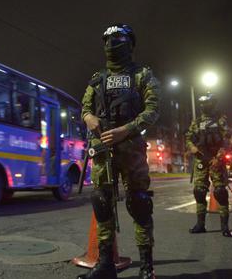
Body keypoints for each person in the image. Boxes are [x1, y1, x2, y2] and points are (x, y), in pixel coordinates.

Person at [78, 23, 160, 279]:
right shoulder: (97, 79)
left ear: (130, 44)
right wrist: (89, 117)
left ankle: (146, 267)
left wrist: (126, 130)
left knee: (140, 204)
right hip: (103, 150)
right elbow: (84, 109)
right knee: (101, 202)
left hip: (132, 148)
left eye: (118, 38)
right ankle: (105, 265)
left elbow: (153, 111)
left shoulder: (142, 75)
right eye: (108, 39)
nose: (113, 43)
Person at [185, 93, 232, 237]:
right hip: (201, 159)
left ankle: (225, 227)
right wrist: (192, 147)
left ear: (213, 104)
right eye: (202, 104)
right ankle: (200, 225)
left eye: (206, 103)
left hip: (216, 160)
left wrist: (218, 158)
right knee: (199, 191)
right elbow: (188, 137)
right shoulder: (197, 121)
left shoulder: (220, 120)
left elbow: (226, 140)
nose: (203, 106)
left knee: (220, 192)